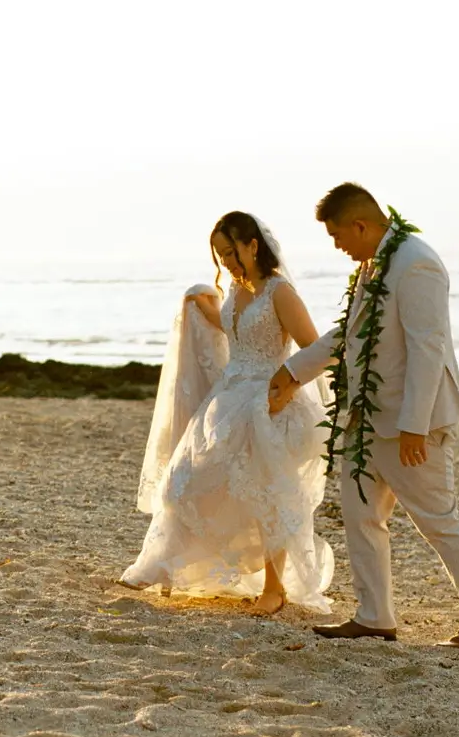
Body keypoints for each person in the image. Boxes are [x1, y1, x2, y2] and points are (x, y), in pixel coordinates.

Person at [268, 183, 459, 649]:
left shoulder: (416, 261)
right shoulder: (370, 265)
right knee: (361, 517)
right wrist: (295, 371)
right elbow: (350, 334)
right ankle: (374, 617)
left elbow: (426, 347)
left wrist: (414, 425)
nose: (338, 246)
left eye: (339, 236)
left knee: (439, 519)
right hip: (366, 419)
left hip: (411, 423)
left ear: (361, 225)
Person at [122, 211, 334, 614]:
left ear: (254, 245)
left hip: (268, 404)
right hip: (228, 400)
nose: (227, 263)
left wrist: (287, 388)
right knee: (184, 481)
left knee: (267, 495)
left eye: (232, 252)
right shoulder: (236, 290)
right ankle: (167, 565)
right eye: (220, 256)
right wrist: (201, 305)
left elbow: (315, 349)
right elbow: (232, 328)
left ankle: (274, 590)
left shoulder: (280, 292)